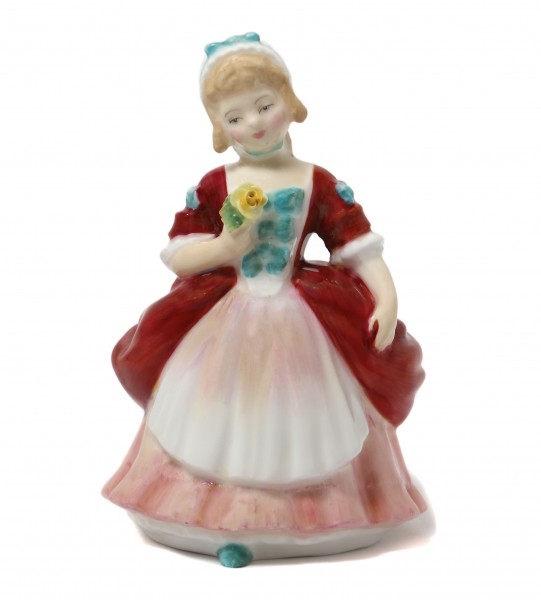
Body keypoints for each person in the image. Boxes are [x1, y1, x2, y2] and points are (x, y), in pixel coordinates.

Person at [103, 33, 426, 568]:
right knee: (213, 413)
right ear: (217, 128)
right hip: (229, 318)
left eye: (264, 105)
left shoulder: (318, 181)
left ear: (290, 101)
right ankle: (214, 515)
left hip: (300, 321)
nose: (254, 124)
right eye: (235, 117)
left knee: (310, 412)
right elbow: (179, 256)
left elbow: (356, 245)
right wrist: (226, 248)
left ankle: (316, 514)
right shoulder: (216, 184)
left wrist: (386, 294)